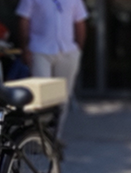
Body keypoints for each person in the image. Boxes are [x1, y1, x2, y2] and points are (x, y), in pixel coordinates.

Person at [16, 0, 88, 132]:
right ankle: (40, 135)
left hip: (67, 51)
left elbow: (80, 21)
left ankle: (55, 137)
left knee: (63, 96)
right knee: (42, 95)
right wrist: (25, 47)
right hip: (40, 49)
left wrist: (78, 49)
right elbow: (24, 19)